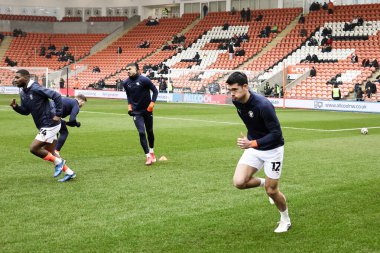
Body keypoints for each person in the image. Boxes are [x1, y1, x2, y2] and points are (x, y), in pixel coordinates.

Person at [226, 72, 291, 233]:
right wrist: (251, 141)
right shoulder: (237, 102)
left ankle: (285, 220)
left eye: (235, 89)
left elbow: (276, 134)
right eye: (230, 90)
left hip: (273, 150)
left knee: (272, 191)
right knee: (239, 182)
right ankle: (264, 182)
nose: (232, 94)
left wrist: (252, 142)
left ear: (246, 87)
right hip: (254, 148)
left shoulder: (263, 105)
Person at [10, 69, 76, 182]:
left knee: (34, 148)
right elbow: (26, 111)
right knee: (51, 152)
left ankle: (59, 162)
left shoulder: (36, 88)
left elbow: (56, 96)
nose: (15, 80)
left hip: (50, 123)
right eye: (14, 78)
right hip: (43, 125)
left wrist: (59, 114)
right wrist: (16, 107)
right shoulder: (23, 92)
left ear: (26, 78)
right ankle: (69, 172)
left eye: (17, 77)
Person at [122, 63, 158, 165]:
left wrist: (151, 105)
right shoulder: (126, 83)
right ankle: (148, 157)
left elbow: (155, 91)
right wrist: (129, 107)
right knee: (141, 132)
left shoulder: (144, 80)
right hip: (136, 112)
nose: (127, 71)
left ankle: (152, 152)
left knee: (149, 131)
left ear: (137, 69)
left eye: (129, 69)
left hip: (147, 111)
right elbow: (128, 96)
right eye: (126, 69)